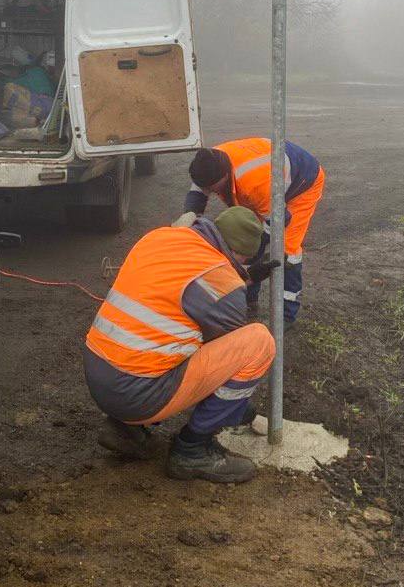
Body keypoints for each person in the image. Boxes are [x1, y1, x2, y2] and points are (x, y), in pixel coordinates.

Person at [84, 207, 277, 484]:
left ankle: (125, 429)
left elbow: (181, 287)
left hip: (99, 373)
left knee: (167, 336)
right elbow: (222, 354)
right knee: (258, 343)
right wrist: (233, 408)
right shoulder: (222, 282)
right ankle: (192, 450)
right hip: (136, 393)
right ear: (242, 255)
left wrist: (243, 277)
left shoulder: (162, 237)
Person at [184, 138, 325, 324]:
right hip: (268, 178)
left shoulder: (255, 183)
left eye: (212, 189)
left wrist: (254, 251)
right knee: (245, 243)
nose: (209, 192)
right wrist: (188, 224)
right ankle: (248, 299)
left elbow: (278, 220)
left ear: (224, 177)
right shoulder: (208, 162)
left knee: (286, 251)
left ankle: (287, 315)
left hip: (303, 182)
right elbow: (197, 196)